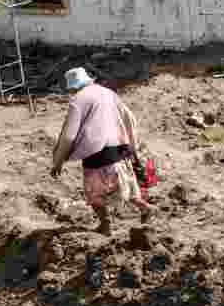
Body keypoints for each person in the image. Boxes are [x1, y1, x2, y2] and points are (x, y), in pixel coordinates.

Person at [50, 67, 156, 235]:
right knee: (124, 185)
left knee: (93, 193)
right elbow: (129, 118)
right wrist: (133, 147)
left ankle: (105, 225)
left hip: (97, 153)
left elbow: (68, 136)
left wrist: (58, 161)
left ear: (73, 87)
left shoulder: (78, 100)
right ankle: (146, 208)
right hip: (120, 148)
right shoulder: (108, 93)